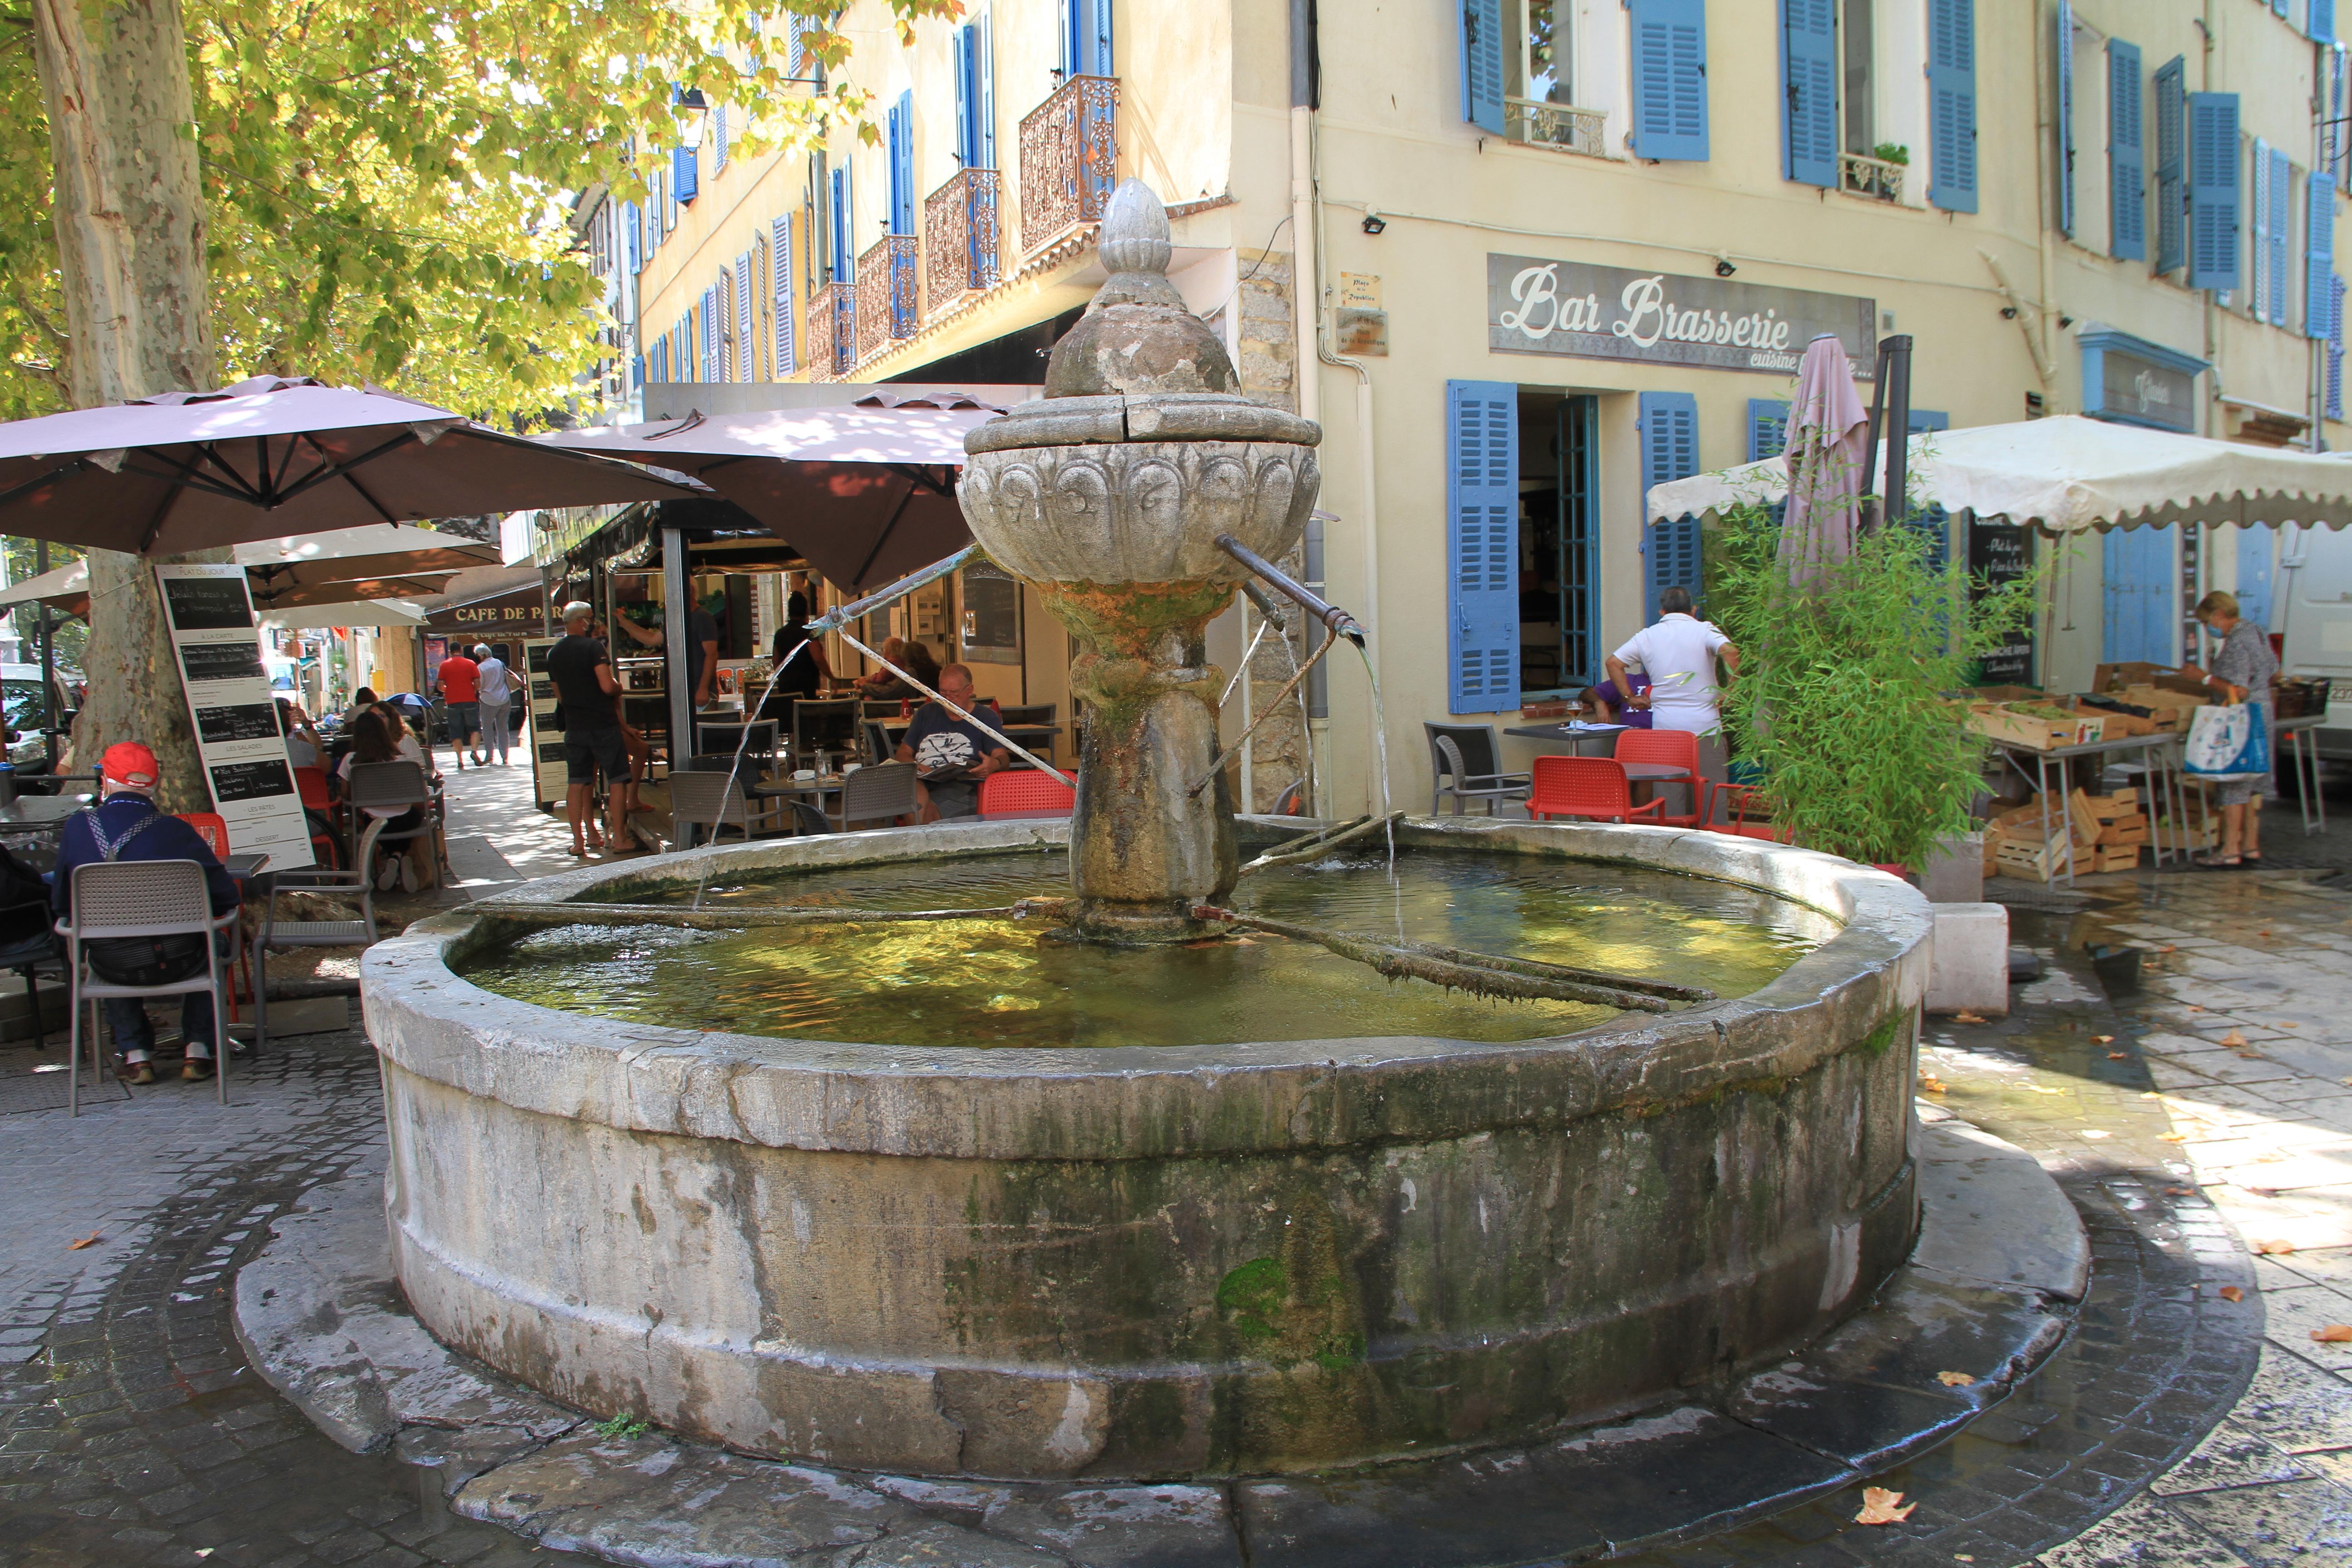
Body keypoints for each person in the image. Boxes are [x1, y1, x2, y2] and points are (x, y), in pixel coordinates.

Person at [52, 743, 241, 1084]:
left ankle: (137, 1056)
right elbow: (226, 897)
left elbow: (63, 905)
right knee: (207, 940)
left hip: (112, 963)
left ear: (105, 781)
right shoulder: (178, 831)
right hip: (182, 958)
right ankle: (197, 1050)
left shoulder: (77, 829)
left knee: (107, 942)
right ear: (155, 785)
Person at [2181, 589, 2279, 869]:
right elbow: (2275, 670)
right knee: (2252, 782)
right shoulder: (2256, 631)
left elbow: (2238, 690)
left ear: (2218, 615)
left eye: (2205, 622)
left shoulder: (2237, 642)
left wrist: (2204, 678)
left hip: (2242, 719)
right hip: (2263, 712)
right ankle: (2250, 844)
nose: (2206, 628)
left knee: (2234, 780)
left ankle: (2229, 849)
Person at [1605, 587, 1741, 783]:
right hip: (1705, 725)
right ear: (1693, 610)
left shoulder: (1647, 636)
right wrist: (1731, 691)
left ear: (1662, 612)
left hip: (1665, 728)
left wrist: (1629, 697)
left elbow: (1613, 663)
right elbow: (1731, 652)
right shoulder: (1705, 630)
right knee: (1711, 790)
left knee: (1670, 791)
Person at [547, 601, 634, 857]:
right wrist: (618, 687)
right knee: (618, 779)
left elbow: (559, 696)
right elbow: (607, 687)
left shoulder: (554, 653)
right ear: (581, 621)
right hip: (602, 723)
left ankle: (579, 842)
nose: (593, 622)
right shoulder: (593, 647)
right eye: (590, 618)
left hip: (575, 726)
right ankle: (620, 838)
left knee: (577, 782)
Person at [894, 663, 1010, 822]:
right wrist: (914, 765)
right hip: (923, 780)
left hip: (963, 785)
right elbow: (903, 752)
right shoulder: (926, 712)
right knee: (912, 795)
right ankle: (921, 838)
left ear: (969, 690)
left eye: (954, 693)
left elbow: (1002, 757)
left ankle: (919, 839)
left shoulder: (986, 717)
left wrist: (994, 764)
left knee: (927, 809)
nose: (947, 698)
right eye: (942, 693)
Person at [337, 706, 435, 892]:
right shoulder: (401, 760)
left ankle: (395, 857)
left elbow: (346, 795)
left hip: (373, 820)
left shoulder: (351, 761)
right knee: (415, 818)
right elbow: (416, 793)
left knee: (374, 824)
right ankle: (400, 856)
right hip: (406, 818)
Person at [613, 599, 722, 711]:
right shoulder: (676, 618)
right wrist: (624, 623)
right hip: (680, 691)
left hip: (698, 690)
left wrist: (703, 689)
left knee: (702, 726)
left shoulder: (702, 617)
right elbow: (652, 639)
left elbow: (712, 655)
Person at [767, 592, 835, 702]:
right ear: (806, 611)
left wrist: (784, 677)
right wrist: (831, 678)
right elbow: (818, 658)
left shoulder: (780, 633)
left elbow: (776, 661)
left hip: (786, 686)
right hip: (806, 685)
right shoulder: (809, 632)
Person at [434, 646, 482, 769]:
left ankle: (460, 760)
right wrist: (470, 689)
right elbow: (478, 685)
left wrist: (449, 689)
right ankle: (474, 751)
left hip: (452, 702)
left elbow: (440, 686)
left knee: (456, 731)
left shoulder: (445, 665)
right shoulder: (471, 664)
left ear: (450, 651)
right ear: (461, 650)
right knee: (475, 728)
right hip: (469, 700)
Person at [472, 644, 514, 765]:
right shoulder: (499, 663)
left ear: (481, 655)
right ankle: (505, 756)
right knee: (503, 728)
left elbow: (481, 686)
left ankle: (489, 756)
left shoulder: (481, 668)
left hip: (489, 700)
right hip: (505, 698)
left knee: (487, 728)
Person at [279, 698, 323, 768]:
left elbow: (318, 747)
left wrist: (306, 723)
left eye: (290, 713)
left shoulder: (298, 733)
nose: (288, 716)